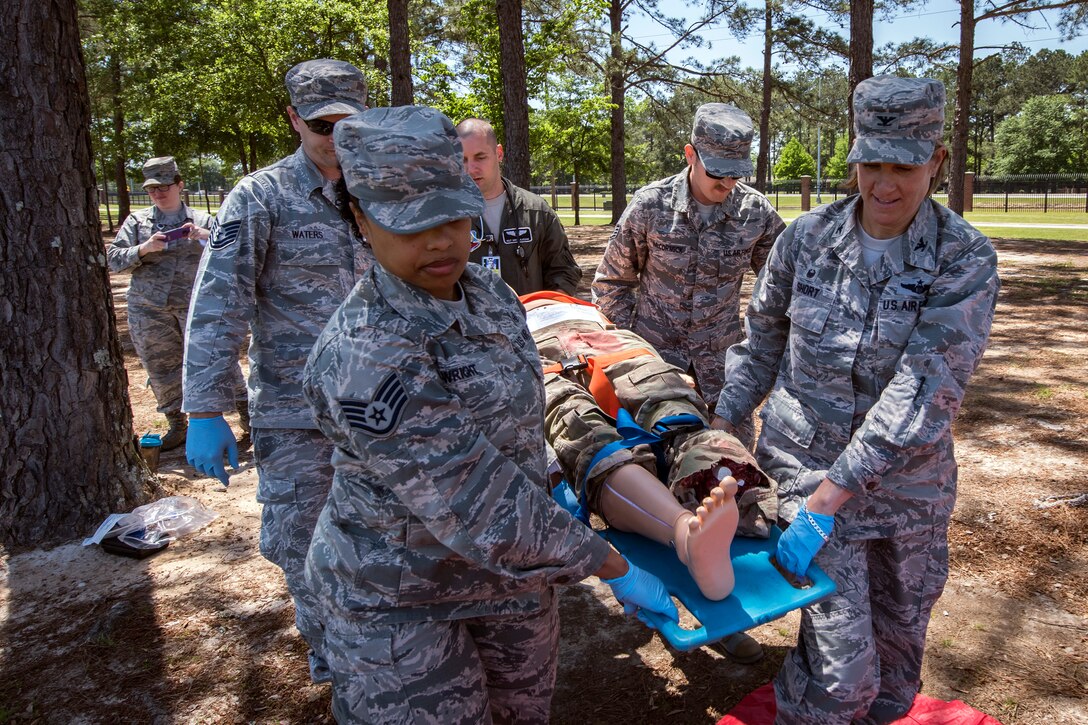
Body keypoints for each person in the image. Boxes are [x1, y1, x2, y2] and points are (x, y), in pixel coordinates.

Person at [303, 105, 679, 723]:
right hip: (401, 598)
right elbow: (470, 496)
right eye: (409, 225)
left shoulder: (490, 295)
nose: (440, 240)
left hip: (512, 584)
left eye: (452, 214)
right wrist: (611, 566)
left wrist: (564, 482)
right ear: (359, 217)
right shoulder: (363, 356)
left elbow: (522, 425)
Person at [712, 76, 1000, 723]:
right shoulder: (805, 239)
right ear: (854, 157)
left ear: (937, 162)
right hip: (805, 477)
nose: (886, 184)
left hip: (907, 498)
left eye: (904, 165)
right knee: (841, 677)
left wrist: (832, 495)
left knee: (894, 684)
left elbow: (924, 390)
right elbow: (761, 343)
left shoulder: (963, 259)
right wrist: (725, 426)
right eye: (873, 163)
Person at [182, 59, 371, 684]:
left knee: (388, 541)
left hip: (389, 408)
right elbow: (218, 304)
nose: (337, 137)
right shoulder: (259, 197)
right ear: (293, 119)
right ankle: (335, 665)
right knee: (307, 545)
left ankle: (385, 656)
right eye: (321, 124)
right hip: (299, 417)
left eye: (351, 123)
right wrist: (205, 408)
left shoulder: (388, 190)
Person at [522, 291, 778, 602]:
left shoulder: (489, 301)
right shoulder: (508, 304)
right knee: (667, 416)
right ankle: (717, 495)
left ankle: (690, 526)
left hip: (572, 343)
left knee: (590, 430)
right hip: (603, 343)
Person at [592, 103, 785, 429]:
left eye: (737, 173)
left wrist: (757, 359)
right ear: (690, 154)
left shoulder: (756, 213)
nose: (727, 184)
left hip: (722, 383)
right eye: (717, 172)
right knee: (655, 468)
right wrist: (634, 357)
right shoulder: (651, 205)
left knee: (731, 470)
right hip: (653, 376)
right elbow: (612, 284)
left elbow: (782, 288)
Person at [106, 156, 247, 451]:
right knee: (161, 368)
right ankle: (176, 425)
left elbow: (234, 251)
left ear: (180, 185)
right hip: (149, 309)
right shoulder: (137, 222)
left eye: (165, 186)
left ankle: (248, 420)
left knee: (218, 361)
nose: (158, 193)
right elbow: (113, 260)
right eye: (152, 188)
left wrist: (207, 238)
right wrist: (143, 248)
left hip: (197, 307)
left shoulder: (204, 220)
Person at [456, 118, 582, 295]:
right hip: (472, 322)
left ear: (499, 153)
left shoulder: (536, 212)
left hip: (530, 319)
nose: (471, 168)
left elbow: (563, 271)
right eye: (463, 160)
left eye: (480, 157)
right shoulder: (447, 217)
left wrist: (548, 308)